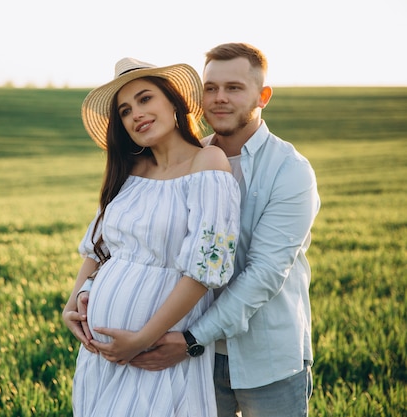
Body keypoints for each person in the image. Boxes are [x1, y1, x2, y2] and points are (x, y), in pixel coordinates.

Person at [68, 43, 321, 417]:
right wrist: (84, 292)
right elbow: (124, 244)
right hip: (187, 355)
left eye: (234, 88)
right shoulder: (179, 161)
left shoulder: (289, 170)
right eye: (211, 88)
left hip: (260, 354)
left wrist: (186, 340)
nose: (219, 99)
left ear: (262, 96)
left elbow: (263, 273)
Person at [62, 57, 240, 416]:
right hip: (102, 354)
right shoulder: (130, 172)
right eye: (125, 111)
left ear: (173, 103)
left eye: (145, 99)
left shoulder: (208, 163)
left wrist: (143, 340)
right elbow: (98, 251)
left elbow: (205, 269)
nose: (136, 115)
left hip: (155, 354)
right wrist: (71, 304)